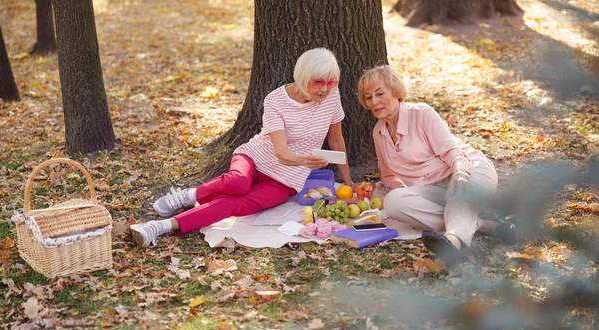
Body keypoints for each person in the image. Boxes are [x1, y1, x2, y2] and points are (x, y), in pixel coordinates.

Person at [131, 48, 355, 247]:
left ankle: (159, 227)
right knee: (238, 183)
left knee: (232, 205)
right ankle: (190, 195)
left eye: (331, 82)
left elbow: (336, 140)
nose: (325, 89)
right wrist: (306, 161)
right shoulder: (276, 100)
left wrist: (348, 181)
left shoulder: (332, 98)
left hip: (285, 180)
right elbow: (281, 153)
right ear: (303, 76)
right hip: (255, 158)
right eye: (318, 82)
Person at [357, 65, 515, 266]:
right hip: (434, 188)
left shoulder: (421, 113)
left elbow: (451, 152)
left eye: (380, 93)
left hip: (469, 170)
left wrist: (460, 174)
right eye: (368, 97)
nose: (374, 102)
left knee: (457, 191)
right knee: (394, 202)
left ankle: (453, 243)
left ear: (395, 91)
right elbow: (387, 175)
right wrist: (407, 193)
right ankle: (484, 226)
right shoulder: (378, 132)